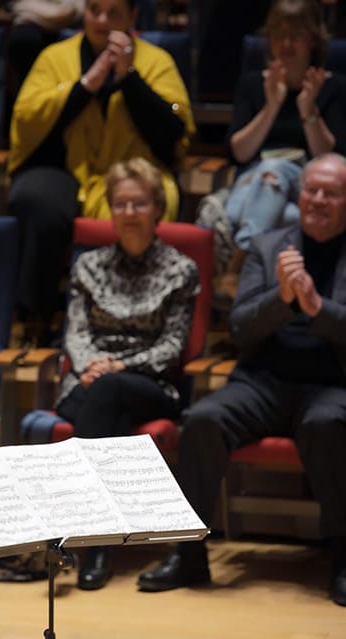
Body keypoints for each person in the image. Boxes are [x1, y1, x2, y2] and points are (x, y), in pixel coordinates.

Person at [137, 153, 346, 608]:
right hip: (264, 381)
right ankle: (189, 553)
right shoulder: (270, 246)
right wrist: (285, 300)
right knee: (206, 418)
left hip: (333, 384)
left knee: (326, 425)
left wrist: (317, 309)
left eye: (331, 193)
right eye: (311, 190)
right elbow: (240, 327)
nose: (318, 200)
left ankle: (343, 558)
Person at [7, 0, 193, 340]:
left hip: (136, 170)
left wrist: (129, 78)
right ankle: (37, 317)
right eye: (95, 10)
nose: (103, 20)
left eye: (114, 13)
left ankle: (133, 319)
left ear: (133, 17)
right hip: (67, 168)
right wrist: (85, 85)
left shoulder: (156, 61)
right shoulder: (55, 58)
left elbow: (174, 124)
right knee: (38, 201)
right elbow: (27, 117)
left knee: (139, 204)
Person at [54, 157, 199, 590]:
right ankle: (100, 543)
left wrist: (118, 366)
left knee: (112, 390)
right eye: (120, 204)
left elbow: (172, 347)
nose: (129, 213)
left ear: (157, 208)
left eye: (138, 203)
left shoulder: (179, 270)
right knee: (108, 405)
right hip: (88, 381)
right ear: (110, 210)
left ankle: (81, 536)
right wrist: (91, 366)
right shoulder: (89, 266)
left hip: (150, 383)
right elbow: (76, 334)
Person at [222, 0, 346, 294]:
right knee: (287, 214)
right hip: (254, 180)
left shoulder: (334, 87)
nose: (286, 44)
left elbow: (331, 158)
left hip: (308, 182)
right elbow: (239, 152)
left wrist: (307, 109)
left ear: (313, 40)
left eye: (296, 36)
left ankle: (239, 268)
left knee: (274, 172)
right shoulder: (253, 84)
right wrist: (272, 105)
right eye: (279, 35)